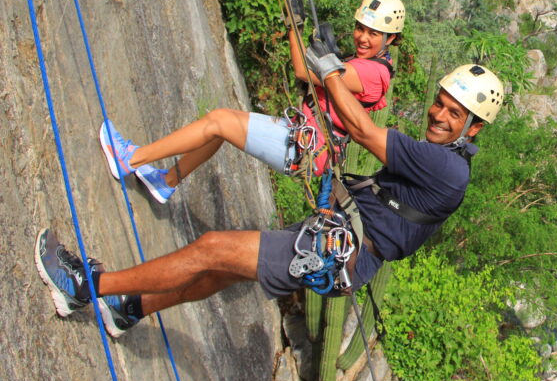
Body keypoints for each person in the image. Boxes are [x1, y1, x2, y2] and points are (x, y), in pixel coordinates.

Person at [35, 61, 504, 338]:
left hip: (336, 250)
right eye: (439, 102)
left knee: (213, 248)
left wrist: (329, 69)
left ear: (474, 127)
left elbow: (362, 128)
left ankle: (87, 288)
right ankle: (132, 308)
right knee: (221, 270)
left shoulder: (446, 166)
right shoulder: (445, 160)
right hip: (335, 242)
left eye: (454, 112)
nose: (439, 114)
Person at [98, 0, 405, 203]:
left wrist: (309, 43)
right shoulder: (359, 62)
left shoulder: (373, 74)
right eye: (360, 28)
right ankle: (165, 183)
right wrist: (296, 29)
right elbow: (303, 69)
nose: (363, 37)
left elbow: (304, 73)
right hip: (300, 136)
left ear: (390, 39)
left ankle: (130, 159)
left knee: (219, 120)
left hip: (305, 146)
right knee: (222, 130)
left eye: (373, 34)